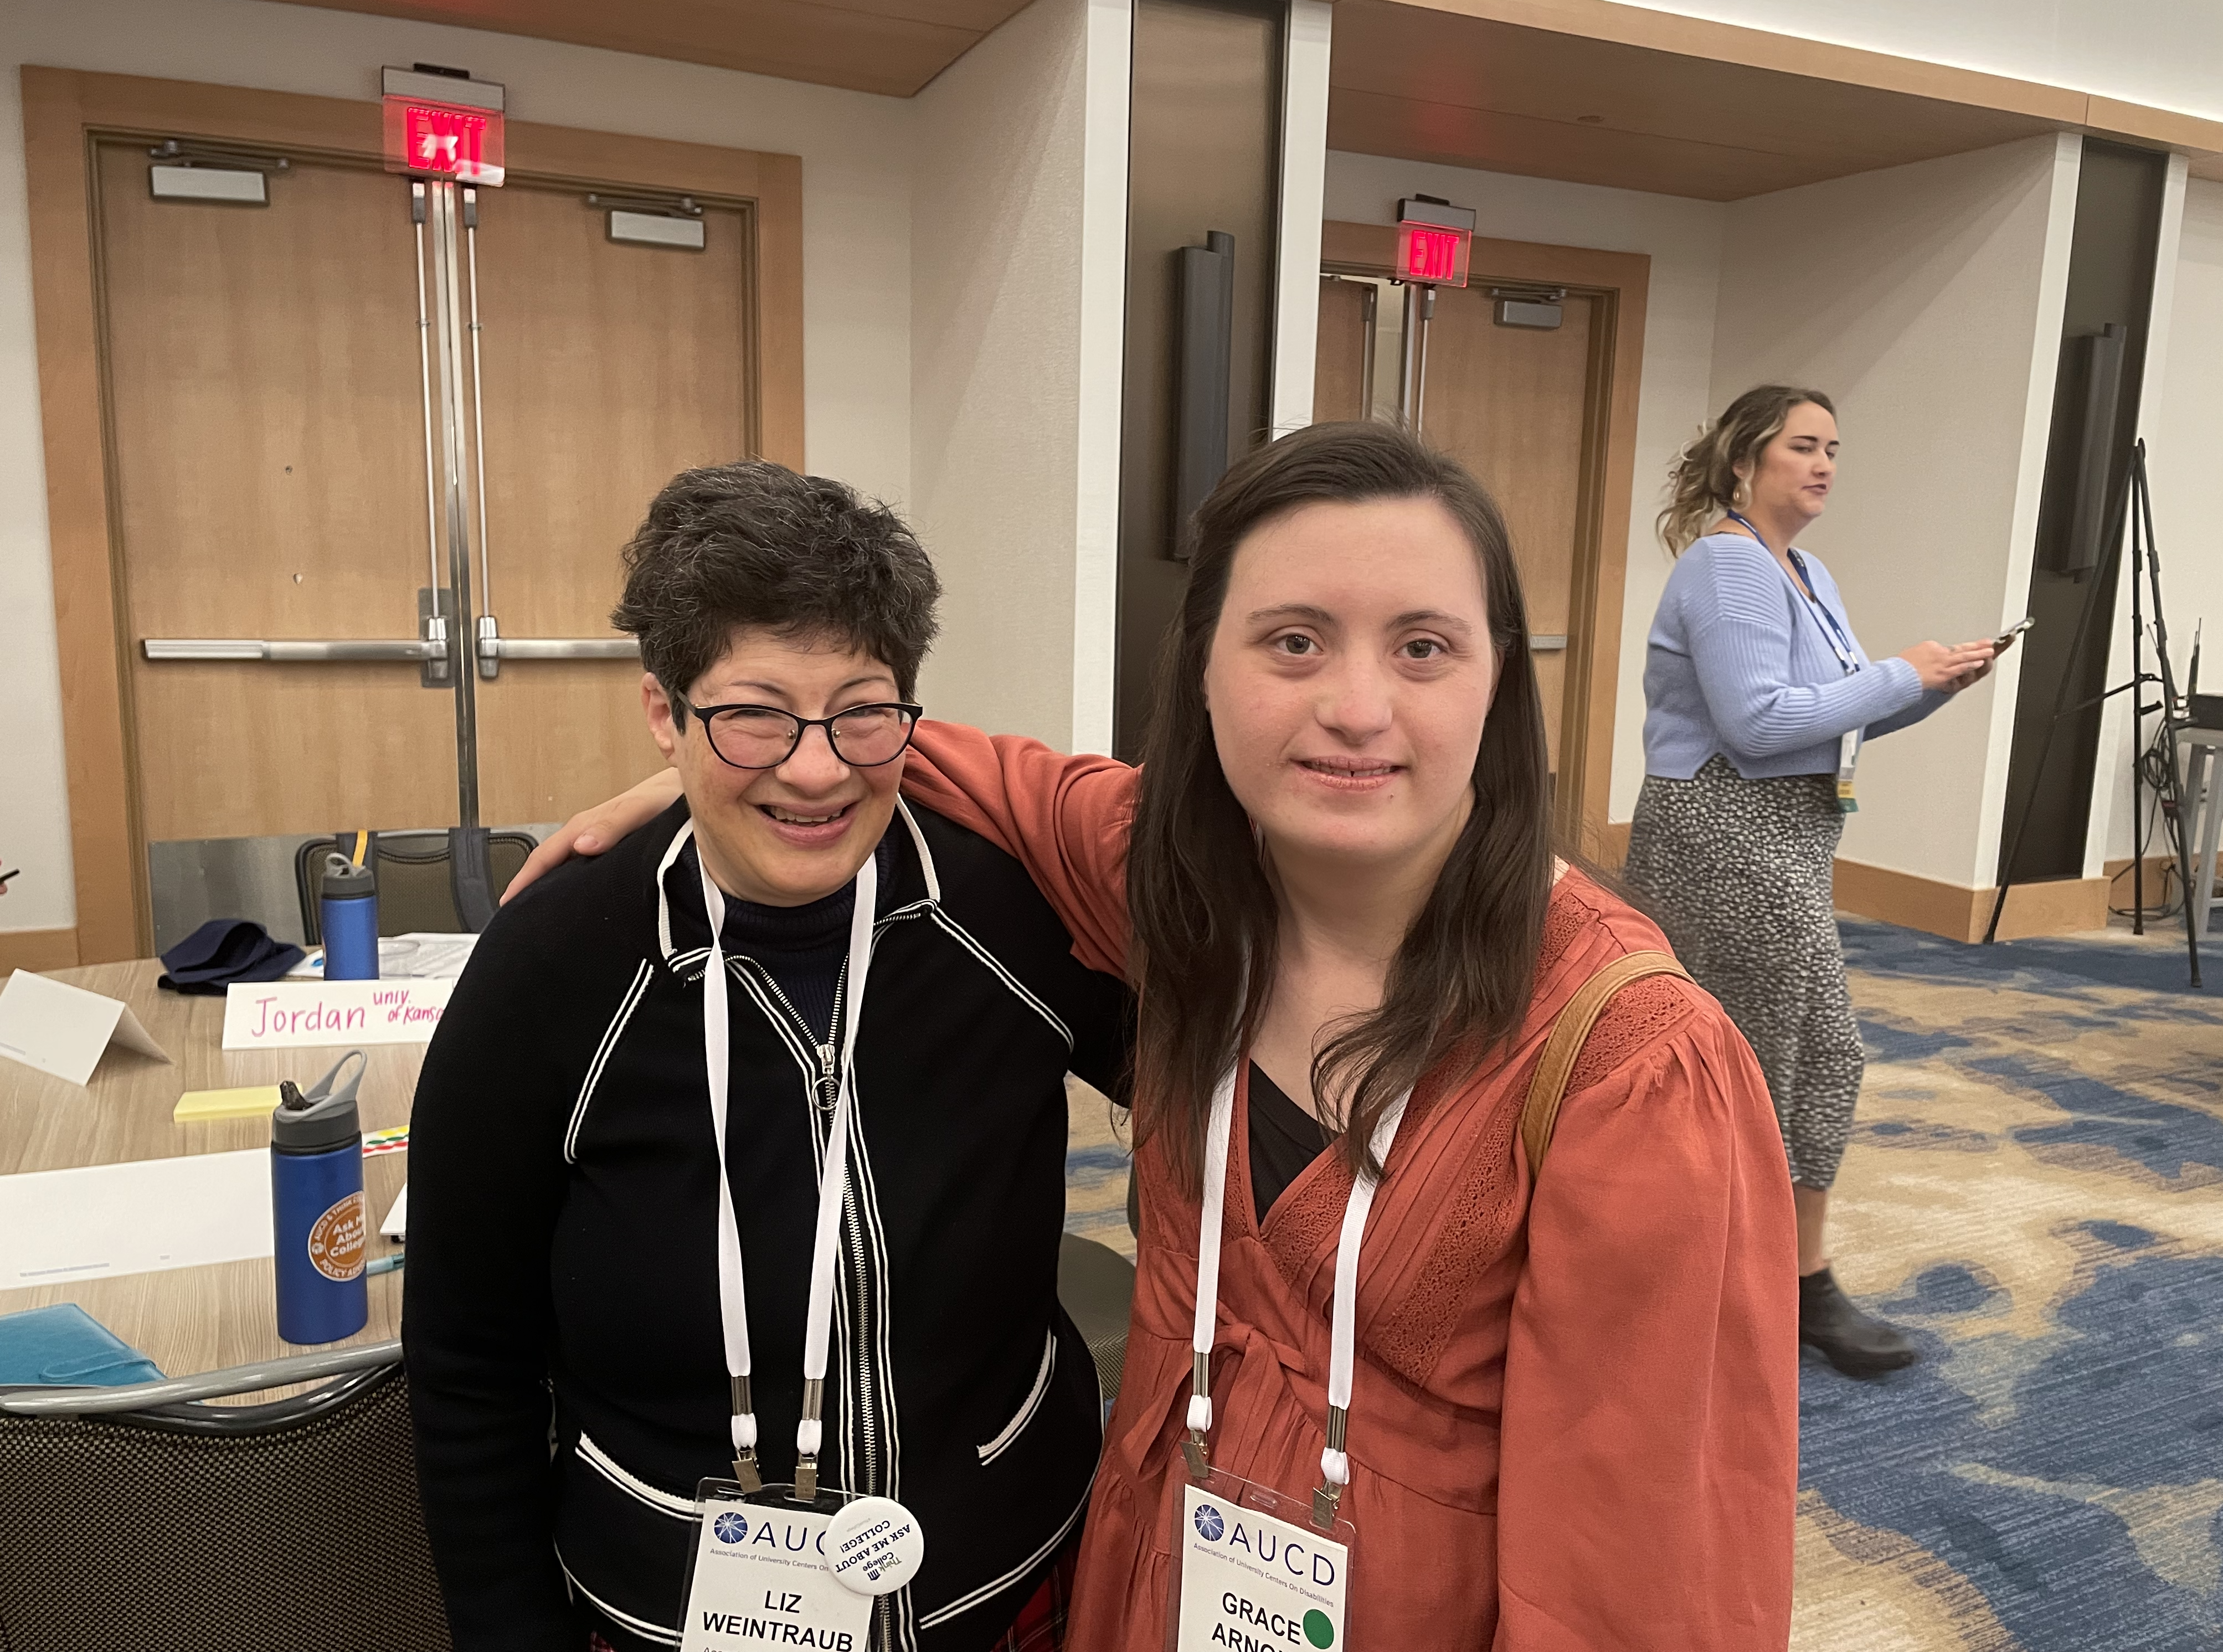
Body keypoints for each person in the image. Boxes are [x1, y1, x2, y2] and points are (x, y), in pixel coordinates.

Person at [515, 423, 1800, 1649]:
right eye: (1293, 641)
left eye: (1423, 648)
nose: (1358, 706)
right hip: (1149, 1573)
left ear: (1498, 679)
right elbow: (998, 775)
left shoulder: (1631, 1064)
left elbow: (1647, 1590)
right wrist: (745, 757)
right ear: (1203, 667)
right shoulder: (1175, 890)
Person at [405, 462, 1131, 1652]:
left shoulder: (1003, 914)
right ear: (663, 713)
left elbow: (1223, 1087)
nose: (816, 767)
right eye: (752, 713)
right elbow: (467, 1364)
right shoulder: (554, 967)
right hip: (670, 1614)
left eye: (862, 708)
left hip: (1002, 1583)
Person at [1623, 385, 1996, 1378]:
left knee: (1816, 1059)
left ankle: (1792, 1280)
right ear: (1747, 461)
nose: (1825, 464)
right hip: (1722, 831)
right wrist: (1900, 672)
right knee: (1748, 1070)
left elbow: (1832, 718)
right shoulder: (1728, 565)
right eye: (1803, 446)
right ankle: (1727, 1284)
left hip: (1788, 833)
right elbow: (1755, 723)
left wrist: (1929, 687)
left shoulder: (1806, 571)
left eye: (1834, 448)